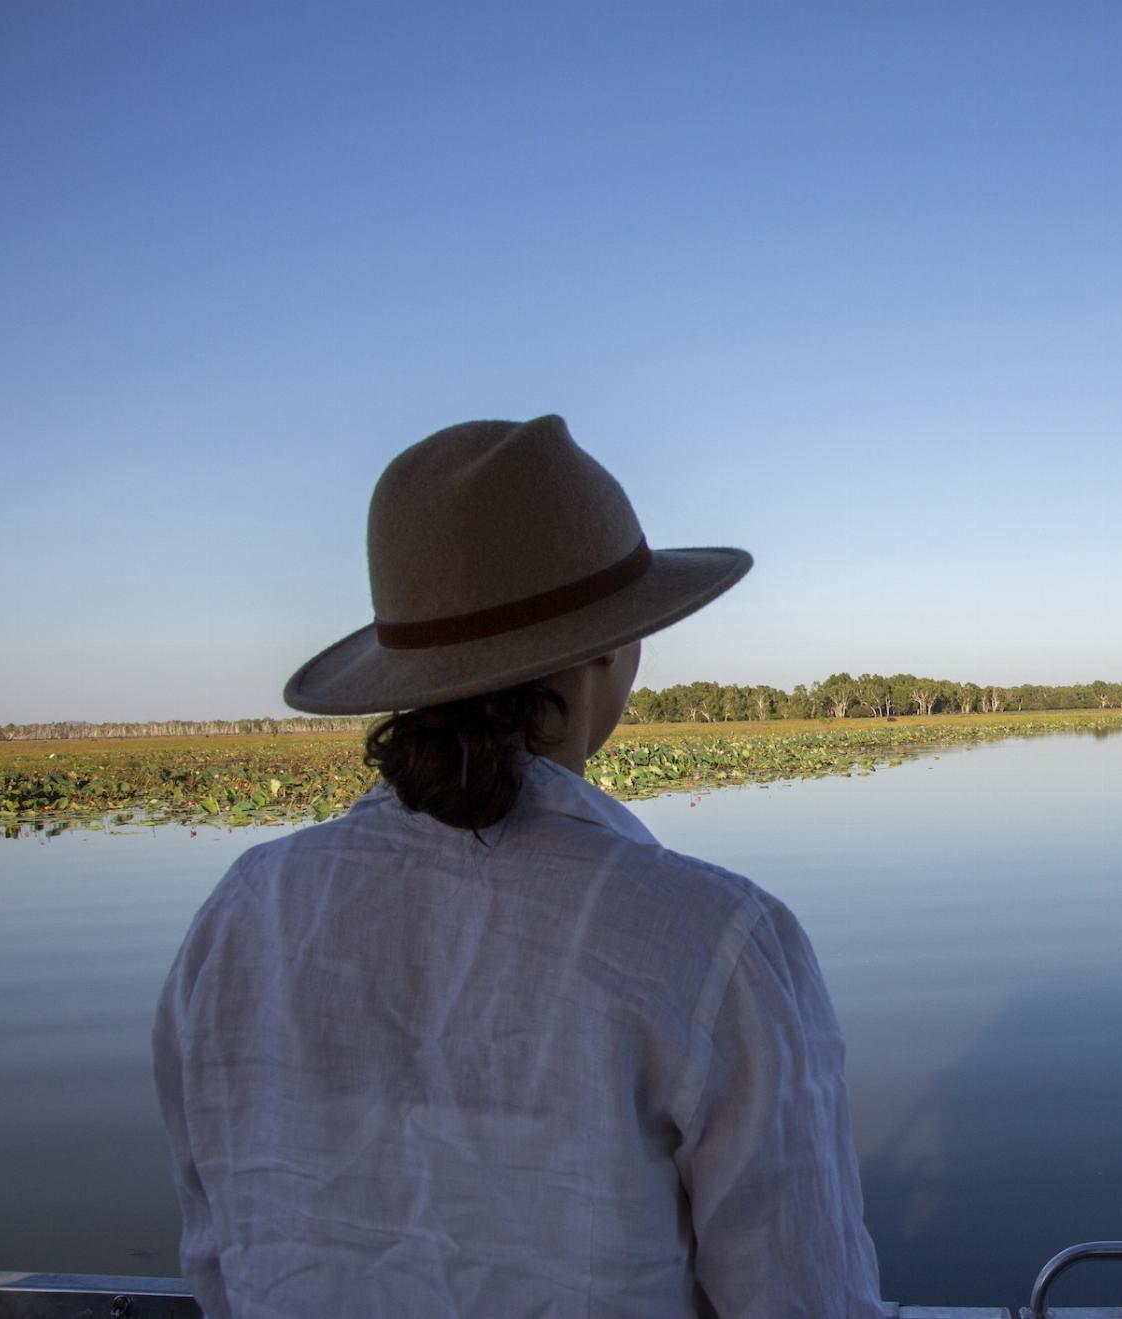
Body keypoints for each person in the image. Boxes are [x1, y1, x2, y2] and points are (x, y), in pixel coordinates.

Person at [152, 416, 884, 1318]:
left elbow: (217, 1265)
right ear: (608, 648)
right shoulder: (716, 941)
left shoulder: (238, 919)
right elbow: (805, 1302)